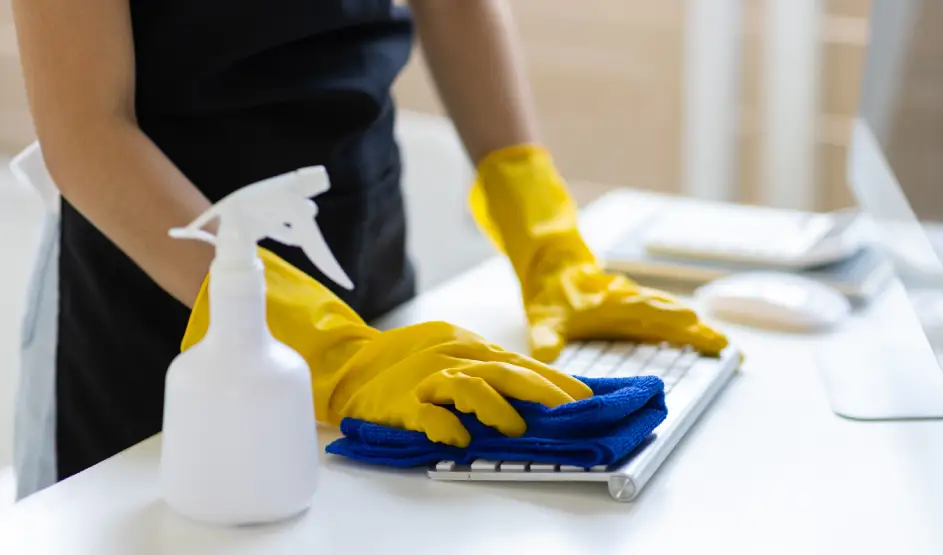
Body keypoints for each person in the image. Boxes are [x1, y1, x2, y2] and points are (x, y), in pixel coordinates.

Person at [9, 0, 730, 499]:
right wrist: (327, 347)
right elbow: (88, 129)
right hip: (155, 299)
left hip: (360, 245)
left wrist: (544, 236)